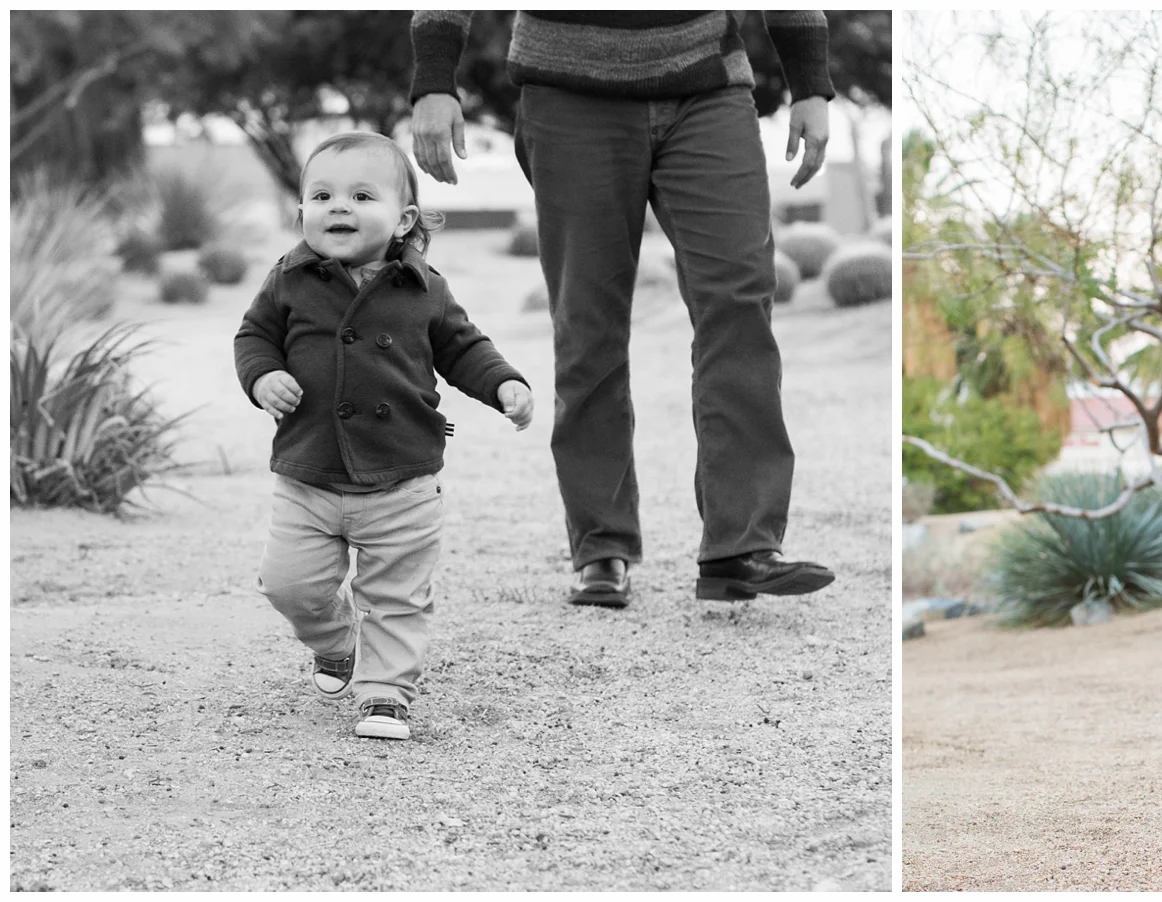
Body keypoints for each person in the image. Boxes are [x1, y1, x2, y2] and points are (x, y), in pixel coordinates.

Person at [408, 11, 838, 608]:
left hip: (707, 84)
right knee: (588, 323)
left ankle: (742, 547)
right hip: (568, 93)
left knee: (739, 302)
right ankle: (602, 546)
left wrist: (810, 83)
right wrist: (434, 78)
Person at [234, 132, 535, 740]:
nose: (337, 206)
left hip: (402, 477)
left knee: (397, 596)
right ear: (301, 213)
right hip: (308, 474)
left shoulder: (425, 289)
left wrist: (503, 383)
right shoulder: (288, 280)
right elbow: (253, 337)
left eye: (360, 195)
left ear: (403, 220)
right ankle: (336, 640)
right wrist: (263, 375)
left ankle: (385, 694)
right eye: (321, 195)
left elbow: (463, 347)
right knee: (290, 585)